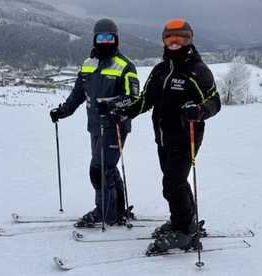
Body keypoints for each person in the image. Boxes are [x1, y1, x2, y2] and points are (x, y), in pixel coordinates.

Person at [110, 19, 221, 253]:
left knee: (172, 183)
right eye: (170, 38)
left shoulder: (197, 70)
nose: (175, 43)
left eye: (181, 38)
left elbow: (215, 102)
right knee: (174, 183)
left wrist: (200, 111)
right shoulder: (160, 70)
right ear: (163, 40)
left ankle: (185, 233)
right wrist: (126, 112)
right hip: (162, 138)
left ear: (190, 40)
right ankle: (184, 220)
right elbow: (145, 101)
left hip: (186, 137)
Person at [49, 19, 140, 227]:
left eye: (110, 37)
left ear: (116, 39)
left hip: (115, 126)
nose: (105, 41)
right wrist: (63, 111)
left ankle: (105, 212)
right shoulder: (88, 64)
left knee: (99, 169)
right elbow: (78, 94)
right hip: (94, 127)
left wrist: (112, 105)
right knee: (107, 168)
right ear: (95, 38)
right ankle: (117, 209)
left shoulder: (126, 66)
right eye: (101, 37)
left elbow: (134, 98)